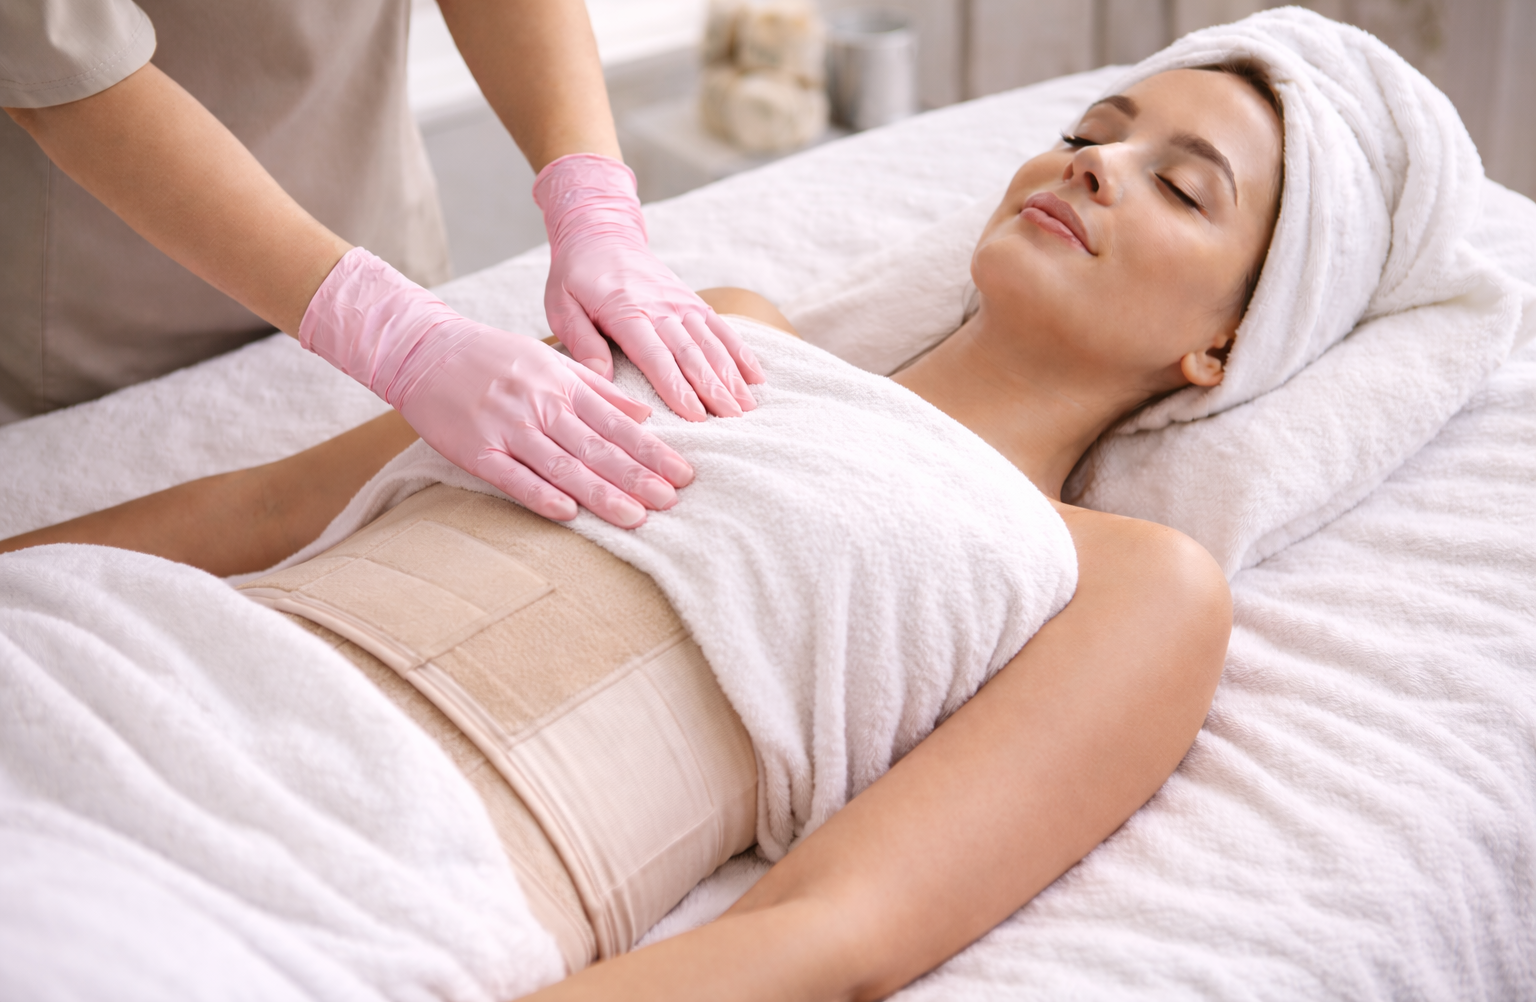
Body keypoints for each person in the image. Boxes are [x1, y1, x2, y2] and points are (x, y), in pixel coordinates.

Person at [1, 57, 1282, 998]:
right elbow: (266, 507)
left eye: (1182, 187)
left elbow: (827, 932)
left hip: (353, 858)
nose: (1094, 164)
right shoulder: (712, 325)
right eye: (1087, 132)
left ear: (1223, 343)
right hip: (110, 666)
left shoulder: (1131, 581)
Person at [0, 0, 761, 530]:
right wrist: (395, 335)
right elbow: (70, 71)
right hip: (120, 281)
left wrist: (592, 199)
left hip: (371, 215)